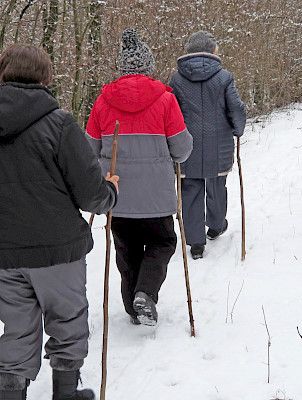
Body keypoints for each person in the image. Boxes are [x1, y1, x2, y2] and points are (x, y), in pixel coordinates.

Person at [0, 45, 119, 400]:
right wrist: (110, 191)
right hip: (58, 249)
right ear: (45, 77)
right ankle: (66, 395)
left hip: (5, 253)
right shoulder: (59, 124)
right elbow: (91, 194)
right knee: (67, 322)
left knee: (17, 329)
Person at [86, 29, 193, 326]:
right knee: (162, 243)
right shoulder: (165, 99)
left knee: (127, 251)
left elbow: (88, 149)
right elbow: (182, 149)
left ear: (121, 67)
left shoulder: (102, 101)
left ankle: (133, 309)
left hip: (117, 196)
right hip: (157, 196)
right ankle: (145, 293)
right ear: (148, 66)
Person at [169, 31, 247, 260]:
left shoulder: (176, 79)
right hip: (219, 144)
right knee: (216, 186)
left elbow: (171, 112)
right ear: (212, 50)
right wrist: (238, 129)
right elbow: (236, 108)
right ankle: (215, 226)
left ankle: (195, 243)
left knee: (190, 190)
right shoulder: (224, 77)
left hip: (187, 146)